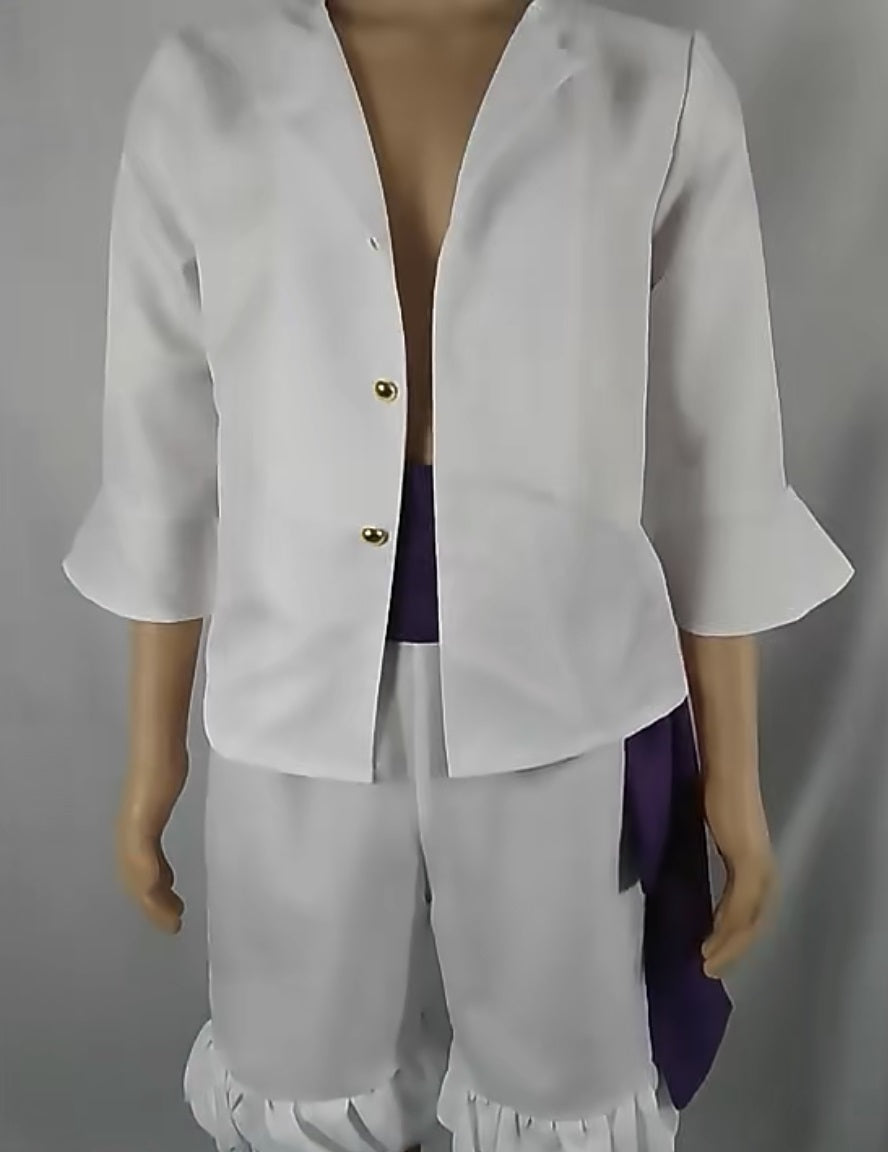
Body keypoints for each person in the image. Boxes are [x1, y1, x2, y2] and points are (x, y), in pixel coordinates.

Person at [61, 0, 855, 1149]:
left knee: (563, 1086)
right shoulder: (205, 88)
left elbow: (718, 460)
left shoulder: (657, 86)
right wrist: (155, 757)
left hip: (565, 691)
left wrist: (734, 781)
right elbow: (159, 449)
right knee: (300, 1076)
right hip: (291, 691)